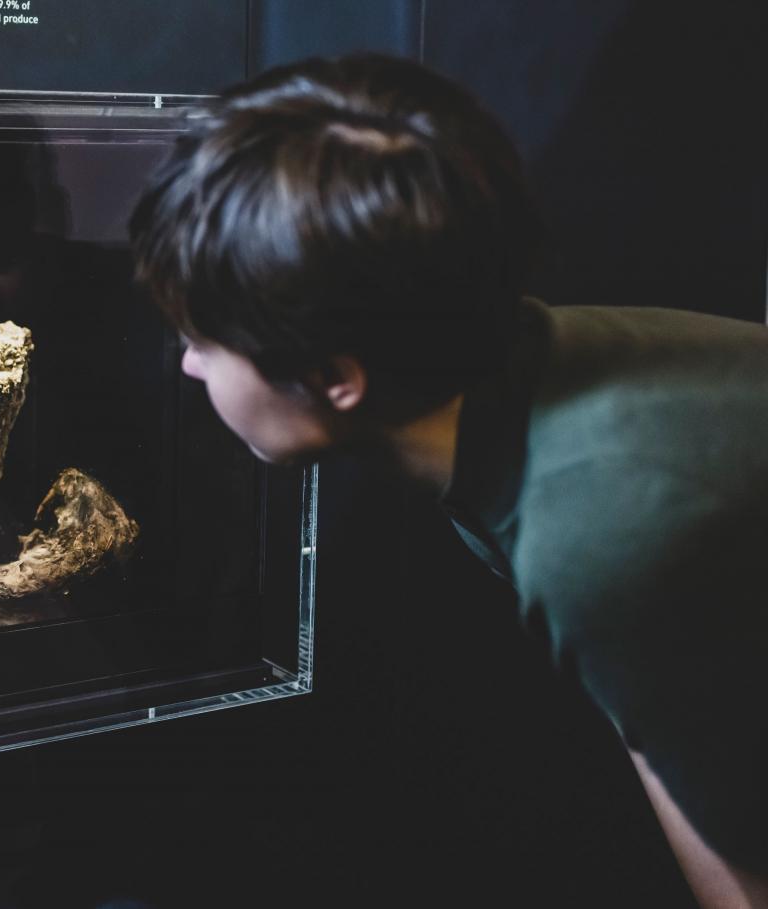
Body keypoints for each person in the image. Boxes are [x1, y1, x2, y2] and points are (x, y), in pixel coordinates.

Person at [130, 53, 767, 908]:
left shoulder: (600, 526)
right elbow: (656, 723)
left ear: (334, 376)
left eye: (206, 338)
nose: (189, 365)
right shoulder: (525, 370)